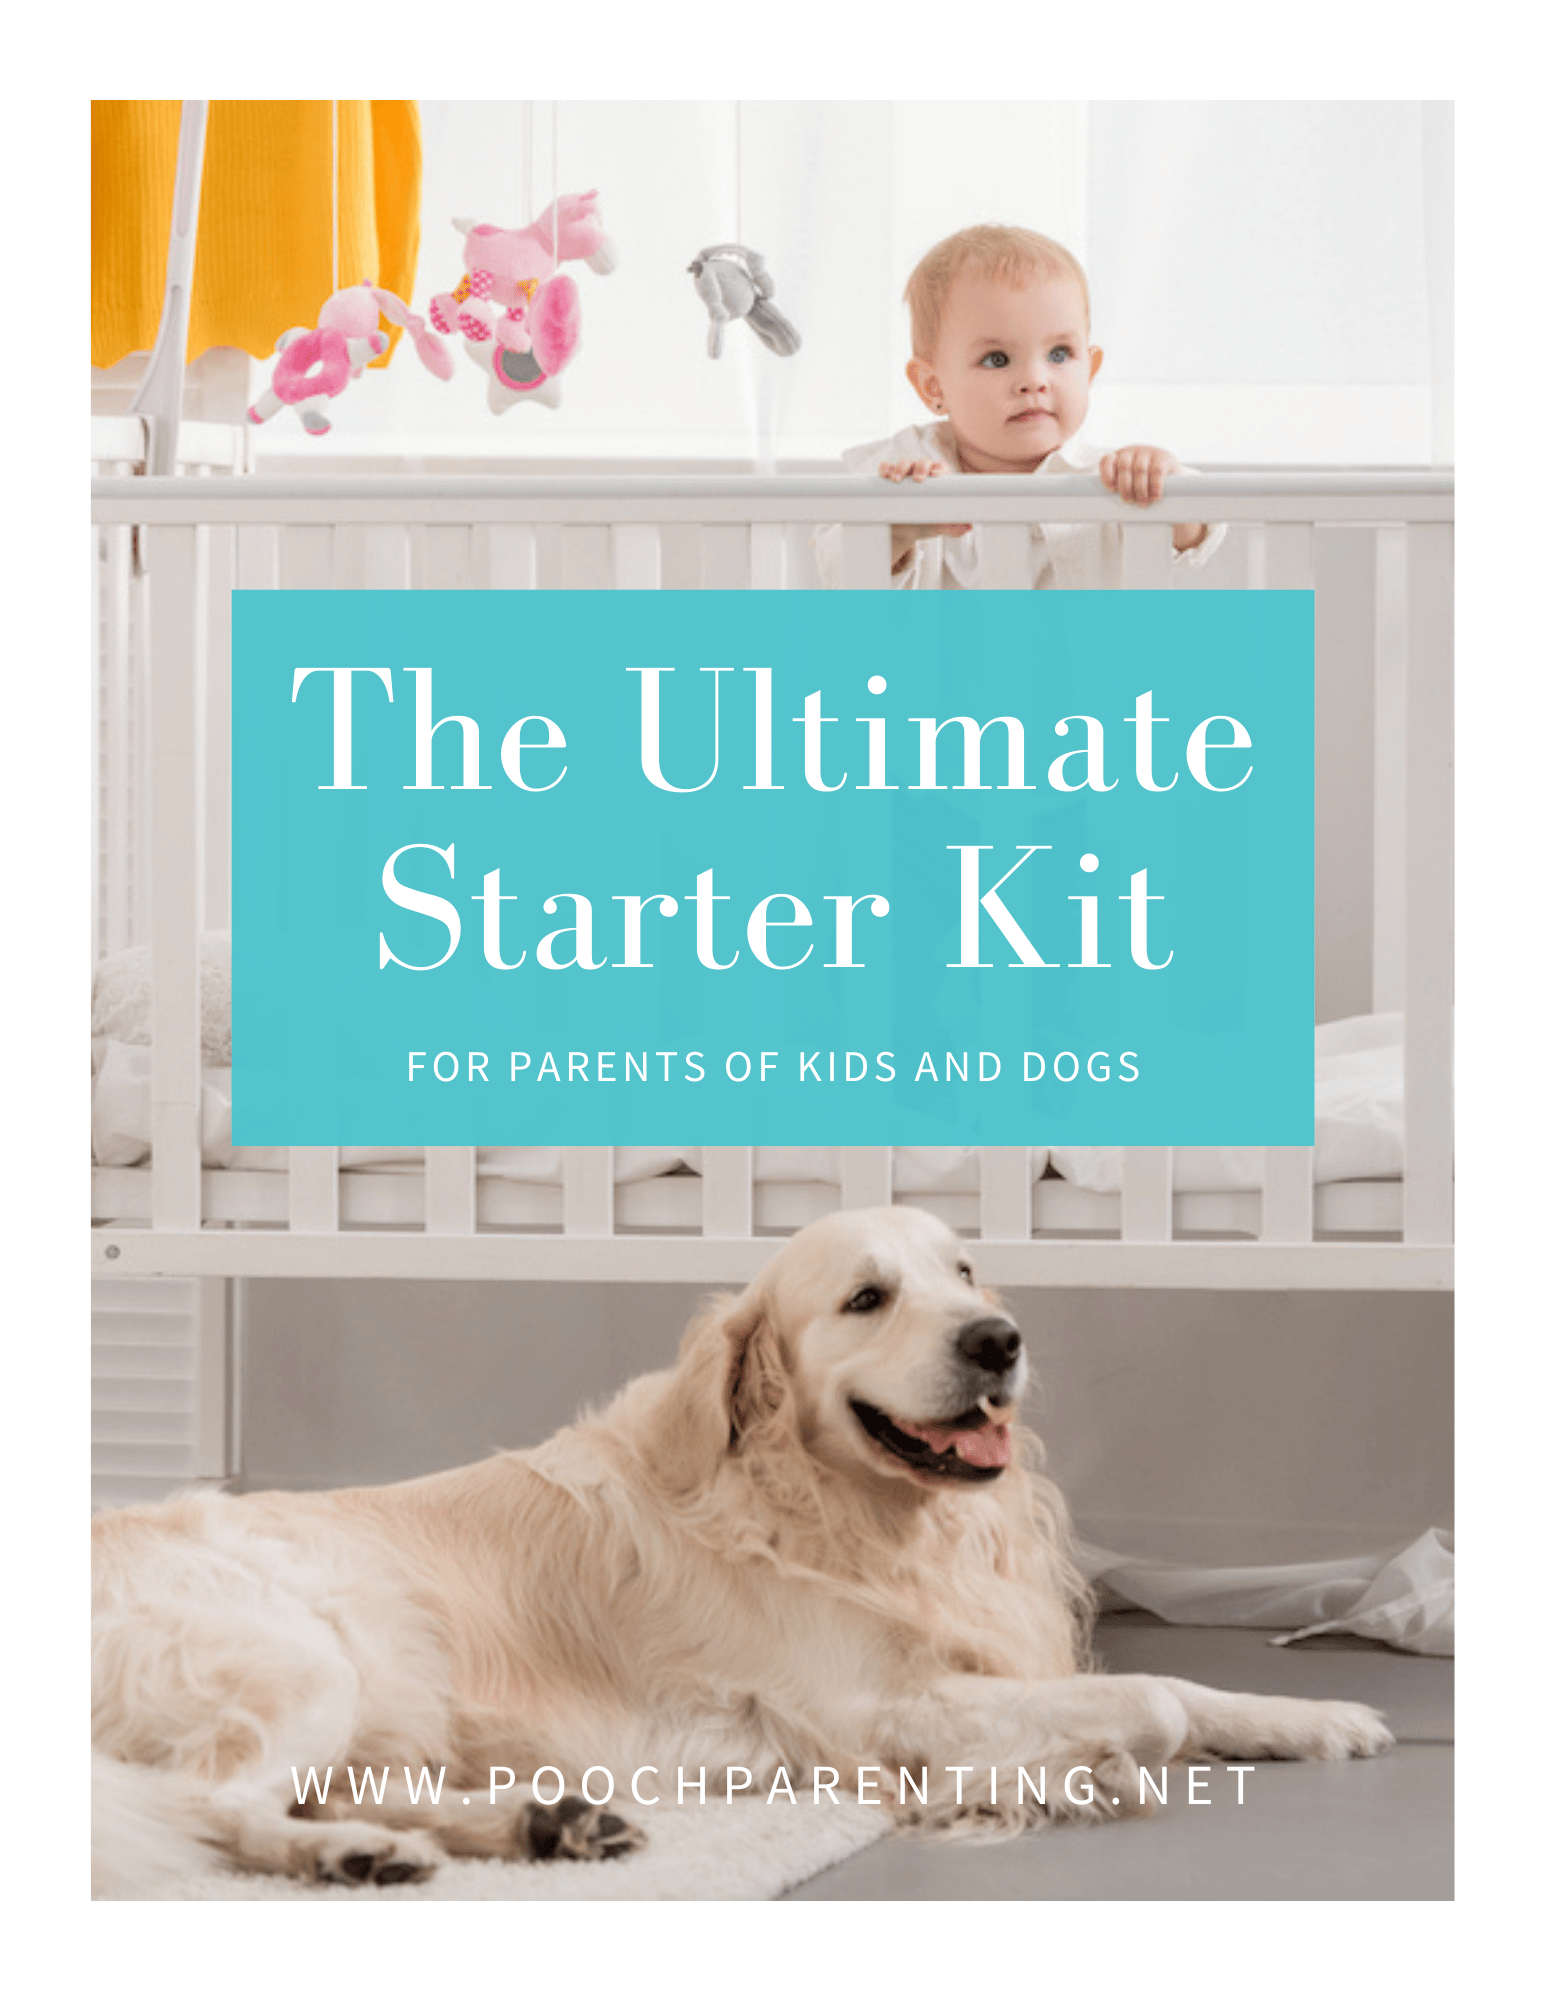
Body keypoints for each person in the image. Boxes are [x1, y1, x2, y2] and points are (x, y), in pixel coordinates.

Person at [812, 224, 1224, 588]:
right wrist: (900, 525)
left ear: (1091, 369)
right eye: (997, 360)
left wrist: (1161, 479)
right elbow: (836, 567)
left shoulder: (1109, 477)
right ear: (933, 386)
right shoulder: (908, 471)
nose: (1034, 380)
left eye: (1060, 354)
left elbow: (1199, 533)